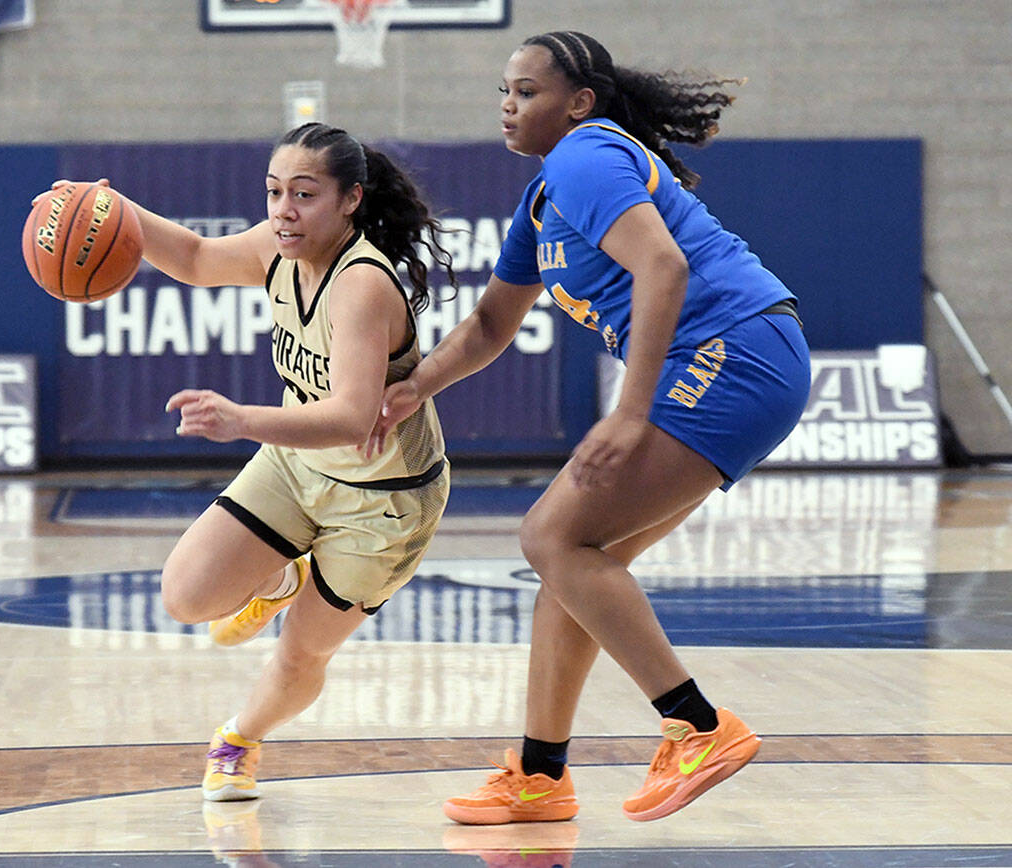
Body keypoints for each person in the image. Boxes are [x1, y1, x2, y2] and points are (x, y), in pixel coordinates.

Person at [367, 32, 811, 824]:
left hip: (732, 350)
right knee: (571, 564)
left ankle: (699, 726)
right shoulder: (545, 197)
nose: (508, 106)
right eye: (504, 92)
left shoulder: (585, 154)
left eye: (526, 92)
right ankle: (541, 775)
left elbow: (664, 267)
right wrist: (411, 389)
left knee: (550, 536)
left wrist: (631, 412)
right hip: (743, 355)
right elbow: (490, 325)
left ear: (578, 103)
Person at [41, 122, 457, 802]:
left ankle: (238, 739)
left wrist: (239, 421)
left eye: (304, 194)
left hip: (383, 501)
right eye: (273, 192)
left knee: (301, 651)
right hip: (298, 464)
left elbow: (352, 419)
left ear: (350, 200)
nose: (284, 210)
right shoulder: (277, 248)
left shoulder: (361, 284)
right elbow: (197, 257)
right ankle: (281, 574)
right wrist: (105, 205)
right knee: (186, 596)